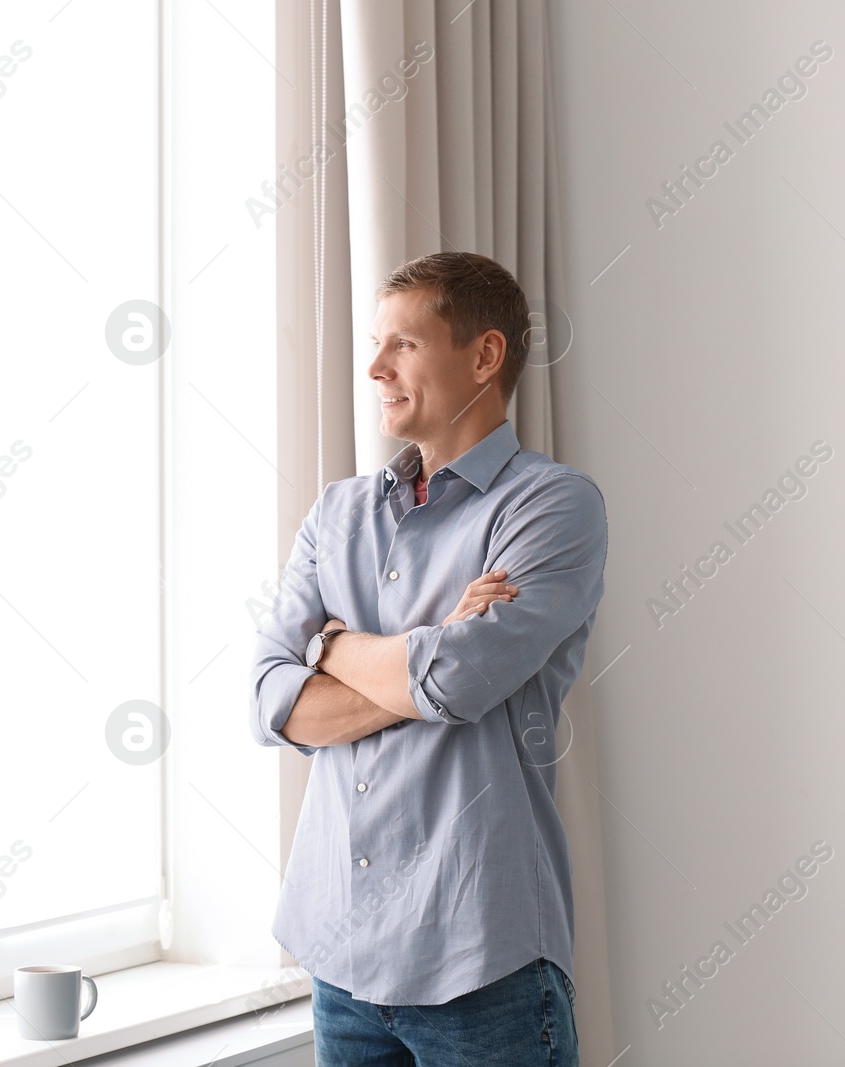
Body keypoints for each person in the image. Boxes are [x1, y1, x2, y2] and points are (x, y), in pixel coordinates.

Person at [248, 250, 607, 1065]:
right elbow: (271, 699)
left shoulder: (554, 505)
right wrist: (432, 641)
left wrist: (329, 644)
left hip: (483, 962)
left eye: (402, 345)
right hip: (339, 961)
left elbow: (456, 678)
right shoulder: (337, 512)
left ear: (484, 356)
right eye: (376, 345)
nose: (374, 366)